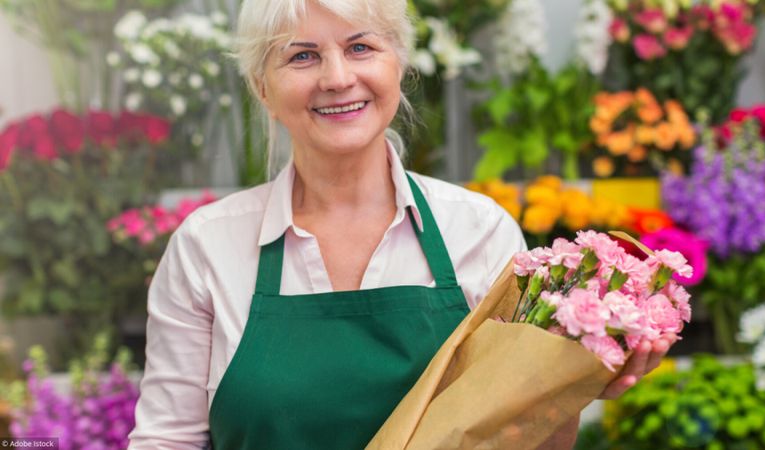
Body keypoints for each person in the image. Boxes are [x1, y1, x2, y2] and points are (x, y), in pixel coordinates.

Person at [127, 0, 675, 448]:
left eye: (361, 47)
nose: (338, 78)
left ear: (399, 66)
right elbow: (166, 440)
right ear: (261, 88)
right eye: (302, 56)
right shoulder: (207, 246)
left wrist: (574, 378)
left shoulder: (479, 233)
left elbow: (525, 438)